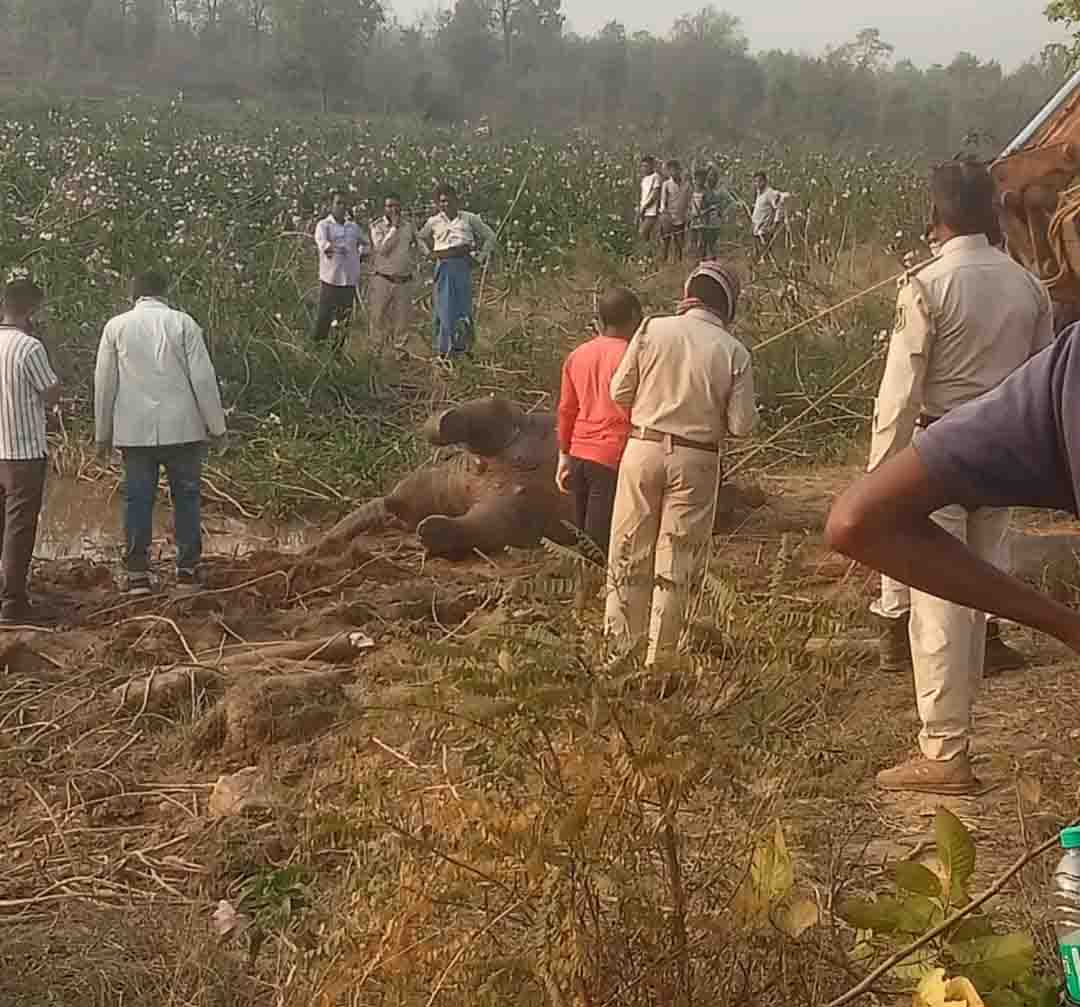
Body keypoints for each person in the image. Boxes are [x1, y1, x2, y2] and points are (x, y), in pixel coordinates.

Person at [834, 160, 1053, 796]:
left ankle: (945, 751)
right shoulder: (1028, 286)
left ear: (937, 215)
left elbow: (898, 396)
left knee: (939, 604)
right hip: (1005, 450)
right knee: (981, 591)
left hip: (940, 451)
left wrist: (878, 480)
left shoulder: (927, 285)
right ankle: (959, 733)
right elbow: (1042, 376)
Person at [605, 262, 757, 665]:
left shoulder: (652, 329)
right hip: (697, 459)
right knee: (677, 561)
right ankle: (661, 661)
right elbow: (742, 426)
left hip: (642, 447)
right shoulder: (734, 351)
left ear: (689, 293)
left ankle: (618, 652)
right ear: (728, 303)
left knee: (627, 551)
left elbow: (619, 391)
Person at [95, 270, 227, 595]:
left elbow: (105, 385)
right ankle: (187, 571)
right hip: (183, 429)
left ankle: (137, 574)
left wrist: (102, 434)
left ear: (133, 294)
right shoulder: (184, 323)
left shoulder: (116, 326)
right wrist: (217, 427)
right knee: (187, 498)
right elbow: (203, 379)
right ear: (165, 292)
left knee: (138, 500)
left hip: (135, 432)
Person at [555, 287, 643, 559]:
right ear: (635, 317)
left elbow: (566, 410)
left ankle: (585, 582)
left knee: (585, 537)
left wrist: (564, 456)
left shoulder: (577, 355)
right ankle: (597, 583)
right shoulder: (634, 356)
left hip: (579, 455)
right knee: (601, 543)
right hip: (613, 457)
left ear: (601, 320)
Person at [0, 279, 60, 624]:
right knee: (19, 528)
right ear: (31, 310)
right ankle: (13, 603)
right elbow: (51, 392)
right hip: (22, 453)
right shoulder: (30, 347)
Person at [417, 183, 496, 359]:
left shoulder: (469, 218)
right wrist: (428, 254)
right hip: (443, 265)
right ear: (438, 203)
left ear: (456, 200)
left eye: (448, 200)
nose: (445, 204)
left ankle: (464, 349)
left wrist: (480, 258)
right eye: (442, 201)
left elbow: (490, 236)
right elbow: (419, 238)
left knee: (463, 308)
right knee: (444, 308)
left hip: (462, 264)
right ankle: (445, 351)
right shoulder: (433, 221)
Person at [312, 190, 368, 347]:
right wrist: (333, 248)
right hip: (330, 280)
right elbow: (323, 243)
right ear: (331, 205)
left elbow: (366, 243)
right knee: (324, 318)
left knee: (343, 321)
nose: (342, 207)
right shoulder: (324, 225)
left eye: (345, 204)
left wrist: (360, 254)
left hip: (348, 281)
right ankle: (317, 351)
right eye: (338, 203)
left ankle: (338, 353)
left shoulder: (353, 227)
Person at [368, 193, 418, 351]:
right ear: (384, 208)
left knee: (403, 319)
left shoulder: (408, 226)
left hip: (404, 279)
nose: (393, 209)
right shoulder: (377, 226)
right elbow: (382, 249)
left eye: (396, 205)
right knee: (377, 317)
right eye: (390, 206)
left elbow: (418, 242)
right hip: (383, 279)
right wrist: (394, 228)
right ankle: (376, 350)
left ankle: (400, 351)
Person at [659, 159, 692, 263]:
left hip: (681, 218)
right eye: (671, 170)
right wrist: (665, 215)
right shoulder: (666, 184)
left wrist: (688, 215)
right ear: (668, 171)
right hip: (668, 218)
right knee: (666, 243)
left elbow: (689, 201)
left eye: (675, 170)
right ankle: (663, 263)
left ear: (679, 170)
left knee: (679, 244)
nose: (673, 172)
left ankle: (678, 265)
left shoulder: (686, 185)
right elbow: (663, 202)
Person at [689, 168, 723, 260]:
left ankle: (703, 260)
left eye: (702, 179)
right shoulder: (691, 191)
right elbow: (688, 205)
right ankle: (696, 261)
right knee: (693, 242)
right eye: (698, 179)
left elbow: (710, 207)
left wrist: (706, 211)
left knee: (702, 243)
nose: (700, 181)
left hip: (703, 222)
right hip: (693, 221)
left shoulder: (707, 192)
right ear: (695, 179)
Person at [751, 171, 787, 247]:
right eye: (755, 181)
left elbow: (778, 207)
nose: (757, 184)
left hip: (765, 231)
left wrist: (775, 224)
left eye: (760, 181)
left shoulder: (769, 193)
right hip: (757, 231)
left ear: (765, 181)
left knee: (765, 251)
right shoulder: (759, 193)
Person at [638, 156, 663, 244]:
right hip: (644, 211)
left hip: (652, 212)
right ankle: (647, 250)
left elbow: (655, 195)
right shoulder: (644, 179)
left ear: (652, 166)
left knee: (643, 232)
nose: (644, 169)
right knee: (645, 235)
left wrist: (645, 207)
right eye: (642, 166)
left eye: (646, 166)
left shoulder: (656, 177)